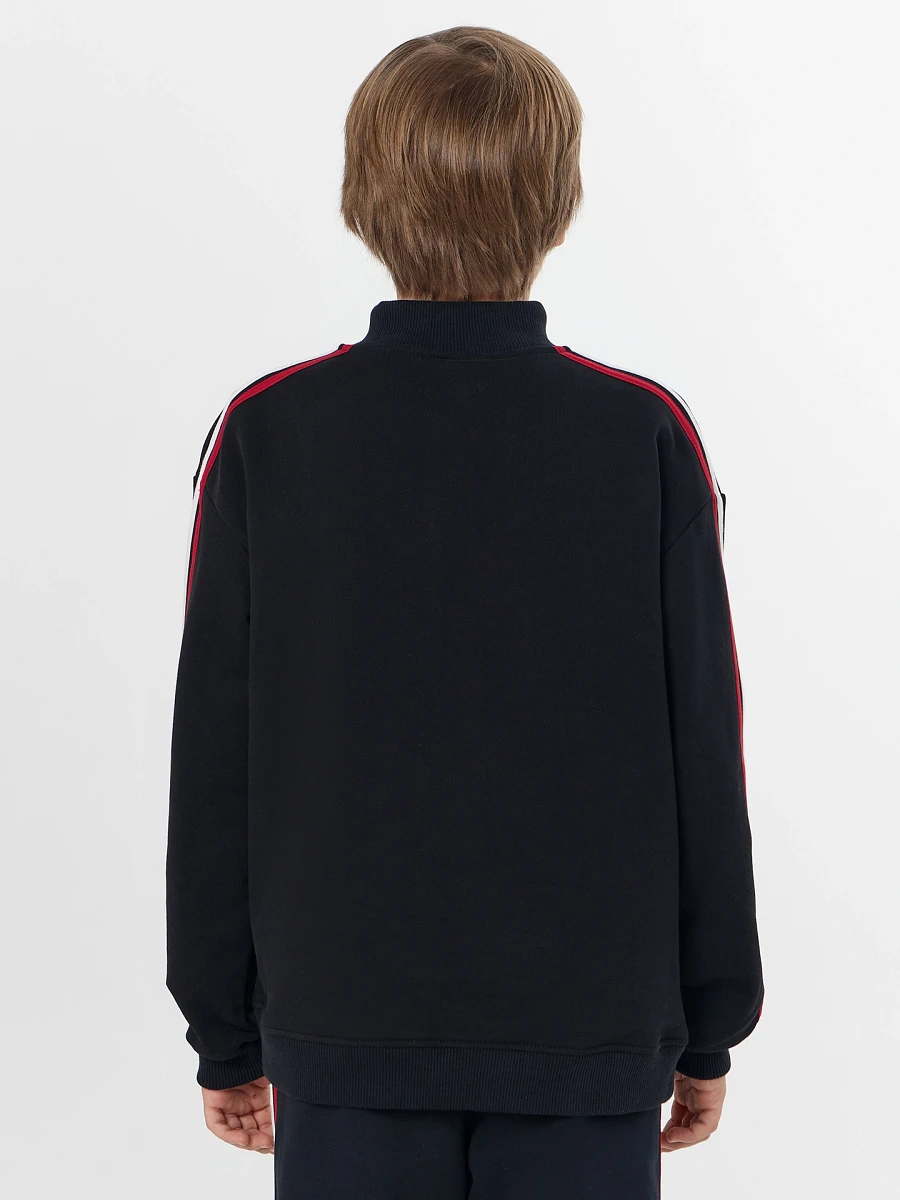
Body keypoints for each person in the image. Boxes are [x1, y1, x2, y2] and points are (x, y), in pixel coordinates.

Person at [165, 24, 764, 1199]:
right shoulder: (640, 436)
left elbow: (215, 754)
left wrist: (223, 1030)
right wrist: (710, 1024)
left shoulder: (272, 432)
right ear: (559, 201)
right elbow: (705, 742)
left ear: (362, 196)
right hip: (589, 1030)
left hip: (344, 1023)